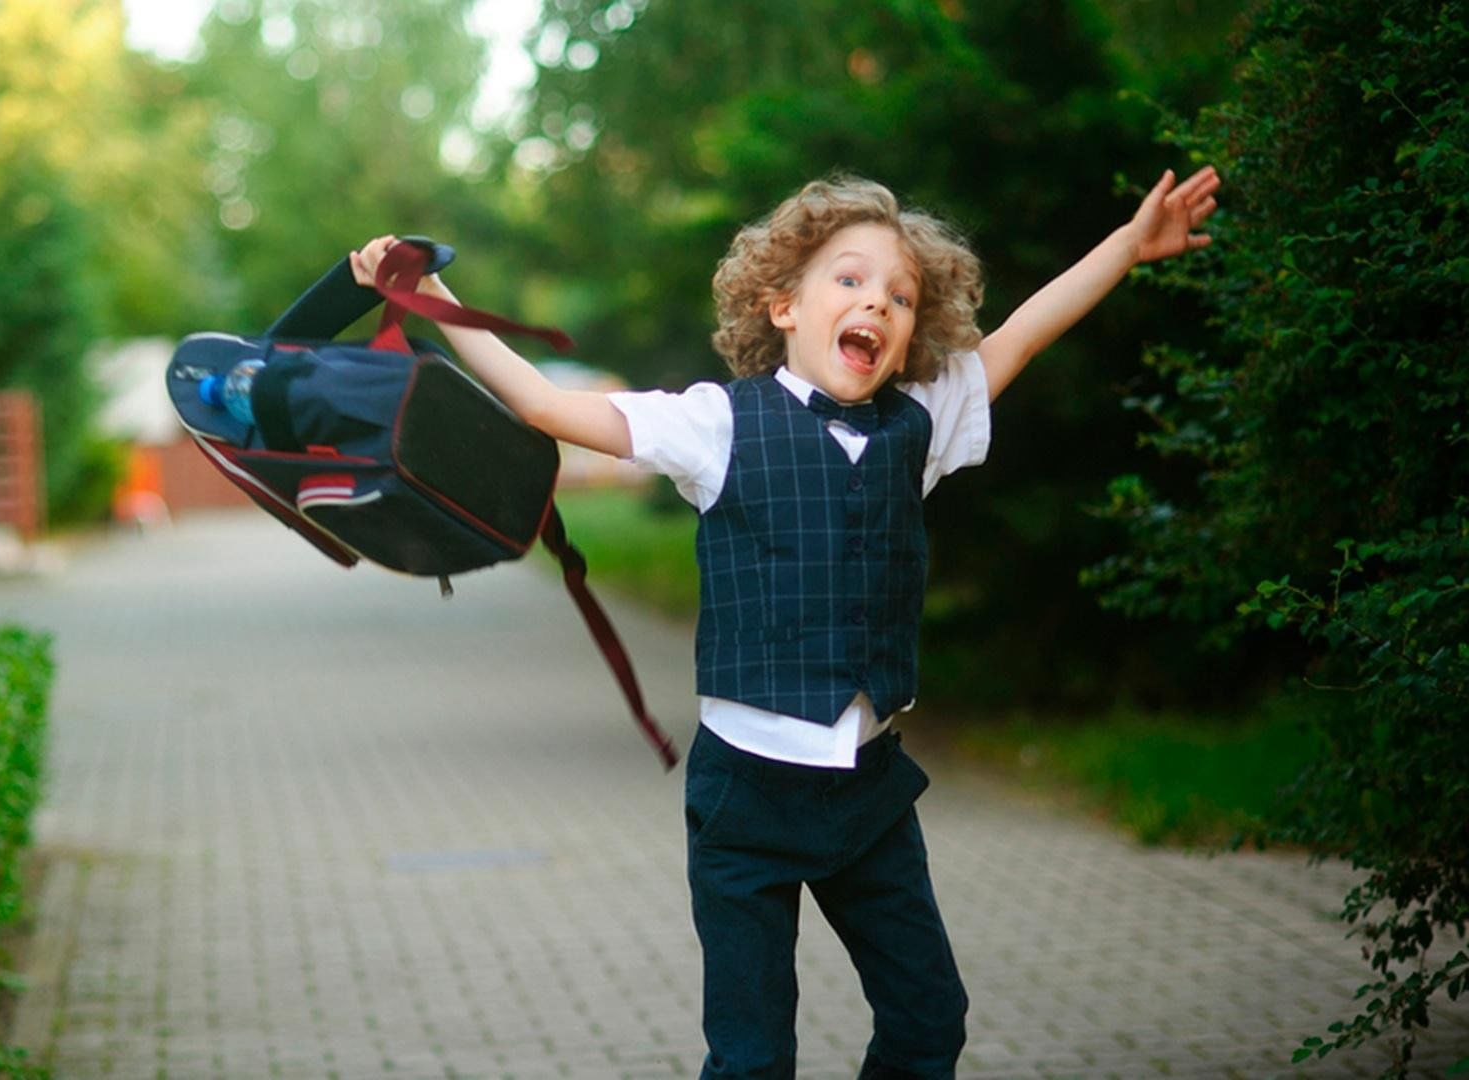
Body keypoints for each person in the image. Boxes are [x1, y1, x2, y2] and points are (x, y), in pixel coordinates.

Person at [350, 164, 1220, 1079]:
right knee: (753, 1059)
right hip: (747, 800)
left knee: (931, 1022)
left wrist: (1130, 244)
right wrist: (428, 293)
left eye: (900, 296)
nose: (876, 305)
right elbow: (540, 403)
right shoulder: (714, 426)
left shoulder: (918, 426)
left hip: (870, 796)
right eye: (849, 279)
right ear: (782, 307)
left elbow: (1021, 337)